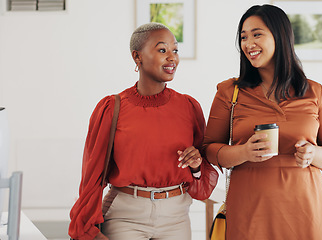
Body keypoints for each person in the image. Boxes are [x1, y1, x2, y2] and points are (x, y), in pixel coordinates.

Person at [202, 4, 322, 240]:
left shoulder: (313, 91)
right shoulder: (230, 92)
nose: (248, 44)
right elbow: (210, 150)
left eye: (257, 34)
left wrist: (313, 154)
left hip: (305, 210)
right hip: (249, 209)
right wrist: (244, 152)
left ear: (280, 36)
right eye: (243, 37)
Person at [69, 22, 218, 240]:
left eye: (175, 50)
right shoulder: (112, 108)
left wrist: (195, 166)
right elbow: (92, 175)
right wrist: (85, 226)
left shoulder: (188, 107)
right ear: (137, 57)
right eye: (162, 50)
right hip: (125, 217)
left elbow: (201, 180)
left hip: (176, 217)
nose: (172, 57)